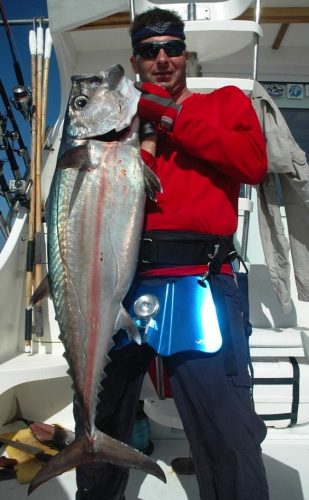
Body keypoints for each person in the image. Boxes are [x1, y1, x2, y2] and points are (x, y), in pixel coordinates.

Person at [74, 7, 270, 500]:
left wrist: (168, 115)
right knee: (98, 420)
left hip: (199, 280)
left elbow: (252, 164)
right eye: (148, 51)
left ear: (186, 53)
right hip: (118, 286)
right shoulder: (117, 127)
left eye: (172, 48)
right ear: (135, 60)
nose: (162, 59)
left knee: (228, 432)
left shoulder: (223, 104)